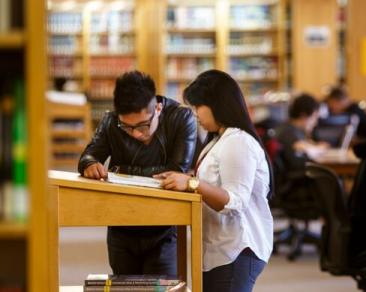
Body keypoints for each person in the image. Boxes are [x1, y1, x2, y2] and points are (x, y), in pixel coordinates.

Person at [155, 70, 273, 292]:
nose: (196, 114)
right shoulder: (220, 139)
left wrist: (191, 184)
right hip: (219, 247)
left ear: (217, 104)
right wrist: (184, 179)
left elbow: (234, 201)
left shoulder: (238, 142)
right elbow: (215, 184)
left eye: (199, 106)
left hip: (236, 249)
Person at [78, 70, 199, 275]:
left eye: (143, 126)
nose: (135, 133)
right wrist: (90, 165)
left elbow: (176, 171)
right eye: (126, 127)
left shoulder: (181, 118)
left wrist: (119, 171)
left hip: (164, 226)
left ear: (158, 108)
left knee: (162, 287)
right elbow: (88, 157)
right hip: (121, 223)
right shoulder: (111, 121)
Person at [275, 93, 328, 172]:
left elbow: (304, 145)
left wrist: (314, 145)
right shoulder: (287, 131)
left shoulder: (293, 129)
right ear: (303, 115)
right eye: (314, 117)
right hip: (296, 178)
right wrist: (319, 148)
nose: (315, 122)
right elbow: (302, 147)